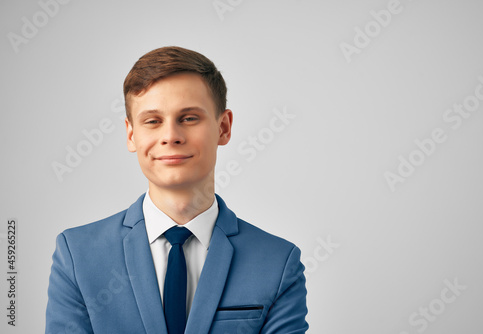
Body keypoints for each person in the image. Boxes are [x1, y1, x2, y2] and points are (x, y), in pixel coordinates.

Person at [45, 46, 308, 334]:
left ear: (224, 128)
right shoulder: (78, 255)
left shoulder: (278, 262)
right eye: (153, 121)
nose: (170, 136)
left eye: (189, 118)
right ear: (131, 134)